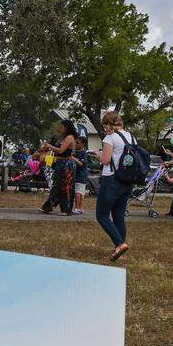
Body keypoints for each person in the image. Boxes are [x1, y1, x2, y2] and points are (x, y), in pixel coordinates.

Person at [95, 111, 133, 261]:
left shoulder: (110, 138)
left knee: (102, 215)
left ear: (108, 124)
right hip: (127, 180)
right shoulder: (131, 137)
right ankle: (119, 248)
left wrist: (97, 154)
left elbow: (105, 160)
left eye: (105, 125)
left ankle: (119, 244)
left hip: (111, 179)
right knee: (118, 216)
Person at [39, 119, 77, 215]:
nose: (60, 129)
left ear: (66, 127)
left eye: (61, 127)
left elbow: (60, 150)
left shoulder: (69, 137)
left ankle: (67, 209)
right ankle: (48, 207)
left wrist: (50, 146)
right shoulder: (65, 138)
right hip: (60, 163)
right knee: (57, 186)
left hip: (66, 164)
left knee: (66, 187)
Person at [72, 137, 89, 215]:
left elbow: (81, 163)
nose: (75, 144)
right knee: (81, 192)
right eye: (75, 142)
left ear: (83, 144)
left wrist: (72, 158)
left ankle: (77, 208)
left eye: (77, 143)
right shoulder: (75, 152)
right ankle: (80, 208)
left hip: (81, 175)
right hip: (77, 175)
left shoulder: (84, 153)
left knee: (78, 192)